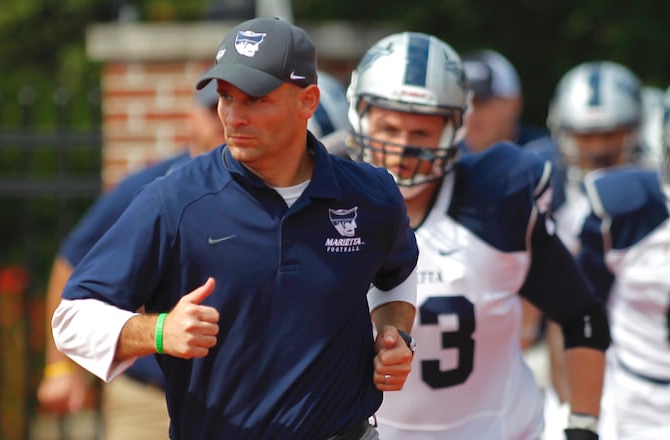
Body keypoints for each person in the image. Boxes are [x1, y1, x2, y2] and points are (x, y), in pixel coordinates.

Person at [52, 16, 419, 440]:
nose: (233, 116)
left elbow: (398, 272)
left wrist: (396, 332)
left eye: (256, 100)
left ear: (308, 101)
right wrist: (158, 331)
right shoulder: (174, 201)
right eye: (226, 98)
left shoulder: (371, 195)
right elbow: (71, 320)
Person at [345, 31, 609, 439]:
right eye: (389, 128)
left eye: (421, 133)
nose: (402, 149)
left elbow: (582, 316)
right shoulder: (329, 205)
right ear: (359, 115)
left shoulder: (498, 200)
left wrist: (583, 425)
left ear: (454, 128)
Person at [37, 81, 224, 439]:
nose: (221, 116)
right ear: (189, 118)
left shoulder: (271, 189)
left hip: (239, 403)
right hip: (148, 397)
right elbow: (72, 264)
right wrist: (59, 369)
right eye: (211, 106)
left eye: (233, 103)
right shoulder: (152, 188)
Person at [576, 68, 670, 440]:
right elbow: (576, 317)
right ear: (669, 157)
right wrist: (580, 415)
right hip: (630, 403)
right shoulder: (626, 212)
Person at [526, 60, 643, 440]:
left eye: (611, 134)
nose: (599, 148)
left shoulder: (652, 188)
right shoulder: (538, 177)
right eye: (585, 135)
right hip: (551, 336)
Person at [460, 49, 548, 153]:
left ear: (514, 103)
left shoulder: (547, 157)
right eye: (463, 104)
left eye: (481, 101)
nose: (470, 113)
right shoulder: (442, 161)